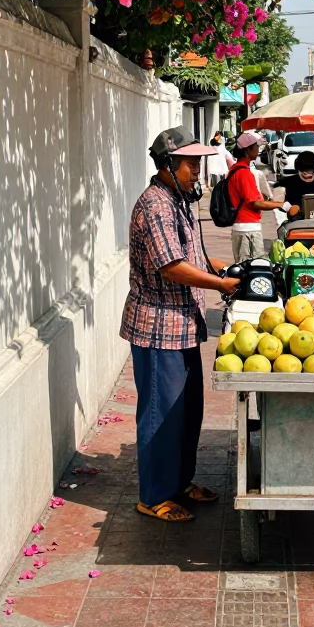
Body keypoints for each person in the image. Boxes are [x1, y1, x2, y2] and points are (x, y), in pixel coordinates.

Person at [120, 126, 241, 523]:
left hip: (185, 325)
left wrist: (227, 269)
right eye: (190, 164)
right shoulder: (155, 206)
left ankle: (180, 481)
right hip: (158, 328)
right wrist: (219, 284)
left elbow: (194, 256)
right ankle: (154, 495)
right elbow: (172, 267)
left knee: (188, 412)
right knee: (161, 413)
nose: (197, 172)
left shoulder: (181, 201)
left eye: (199, 164)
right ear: (167, 165)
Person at [228, 130, 286, 260]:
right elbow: (255, 203)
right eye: (256, 147)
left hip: (241, 226)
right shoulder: (244, 173)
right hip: (248, 228)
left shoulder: (235, 169)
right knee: (256, 268)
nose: (258, 150)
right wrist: (281, 205)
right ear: (248, 150)